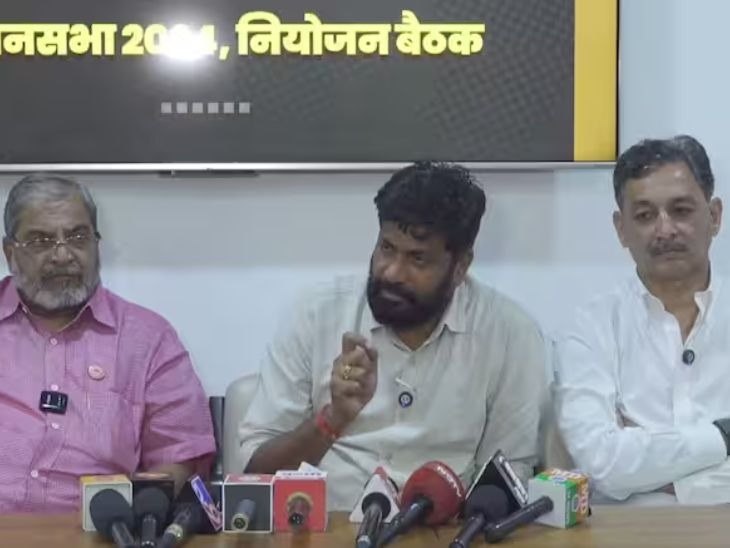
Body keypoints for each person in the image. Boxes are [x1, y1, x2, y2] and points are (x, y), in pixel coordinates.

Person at [239, 161, 546, 510]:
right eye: (387, 248)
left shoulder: (510, 335)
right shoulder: (315, 315)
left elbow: (506, 479)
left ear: (460, 266)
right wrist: (332, 418)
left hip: (445, 529)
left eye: (418, 259)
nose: (392, 273)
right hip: (328, 525)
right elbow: (255, 476)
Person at [0, 173, 216, 513]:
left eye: (77, 237)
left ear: (96, 243)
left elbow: (179, 456)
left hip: (96, 530)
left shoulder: (148, 340)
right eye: (41, 240)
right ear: (10, 251)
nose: (62, 255)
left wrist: (132, 516)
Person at [556, 135, 730, 505]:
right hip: (627, 530)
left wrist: (654, 473)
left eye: (681, 210)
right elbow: (601, 464)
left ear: (714, 217)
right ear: (622, 229)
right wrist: (723, 437)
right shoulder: (591, 326)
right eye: (645, 216)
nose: (665, 230)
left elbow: (619, 472)